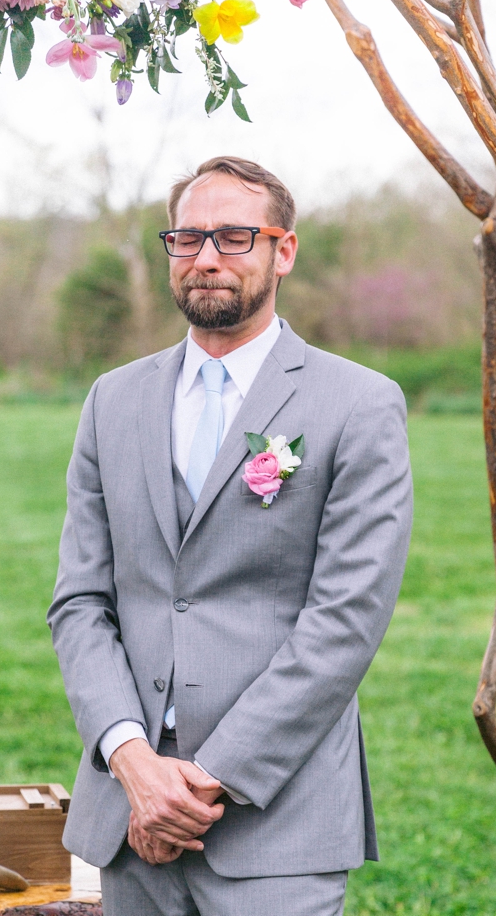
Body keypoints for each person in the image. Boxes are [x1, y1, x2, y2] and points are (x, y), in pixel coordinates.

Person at [47, 156, 413, 914]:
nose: (206, 256)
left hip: (275, 822)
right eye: (186, 238)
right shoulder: (111, 400)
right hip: (131, 817)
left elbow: (344, 623)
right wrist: (134, 762)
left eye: (234, 236)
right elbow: (80, 602)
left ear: (284, 251)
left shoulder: (358, 404)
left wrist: (201, 780)